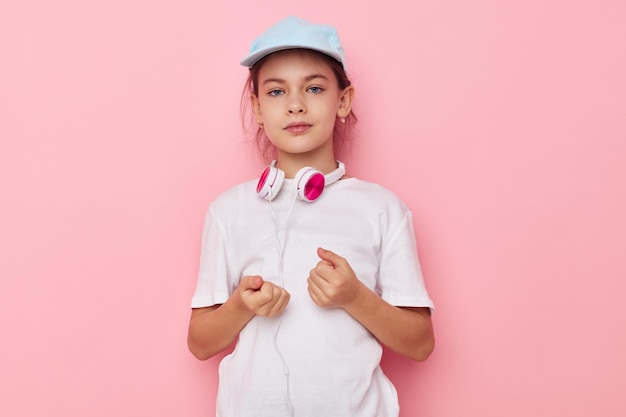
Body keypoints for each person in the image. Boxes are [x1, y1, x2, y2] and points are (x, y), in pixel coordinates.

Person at [188, 16, 435, 417]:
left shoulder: (383, 209)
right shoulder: (227, 211)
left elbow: (420, 343)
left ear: (343, 101)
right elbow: (200, 343)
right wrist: (242, 306)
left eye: (315, 87)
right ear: (258, 109)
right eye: (276, 91)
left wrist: (355, 297)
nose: (296, 104)